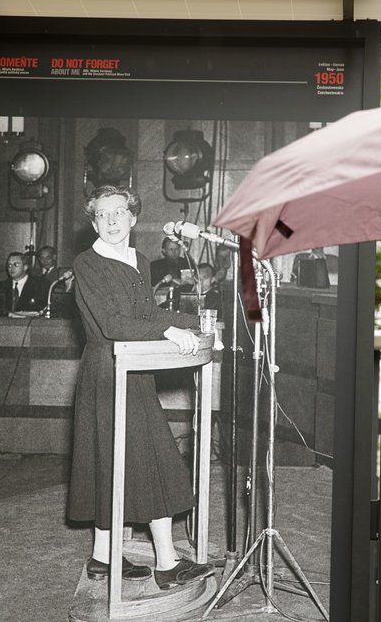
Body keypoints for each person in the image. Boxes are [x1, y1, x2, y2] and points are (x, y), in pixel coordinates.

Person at [68, 184, 214, 590]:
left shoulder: (140, 259)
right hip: (106, 371)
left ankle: (102, 558)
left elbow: (147, 312)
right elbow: (113, 325)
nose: (112, 221)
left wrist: (194, 324)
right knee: (150, 459)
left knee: (117, 460)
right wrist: (168, 331)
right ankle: (167, 563)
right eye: (102, 214)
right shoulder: (88, 263)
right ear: (93, 221)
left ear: (133, 217)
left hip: (137, 370)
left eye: (119, 213)